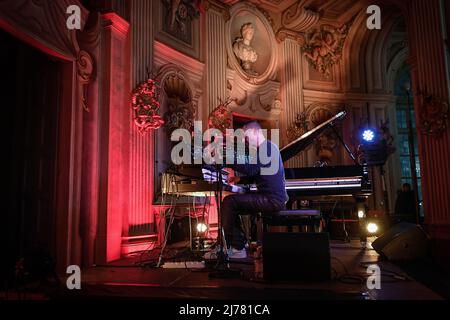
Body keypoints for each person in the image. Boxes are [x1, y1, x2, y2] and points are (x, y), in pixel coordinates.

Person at [205, 121, 288, 259]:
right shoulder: (268, 147)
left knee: (229, 202)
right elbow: (258, 172)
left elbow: (250, 169)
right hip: (270, 197)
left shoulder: (266, 147)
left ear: (255, 132)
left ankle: (237, 247)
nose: (244, 141)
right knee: (231, 205)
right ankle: (235, 244)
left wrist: (224, 159)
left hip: (272, 199)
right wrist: (240, 181)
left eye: (246, 137)